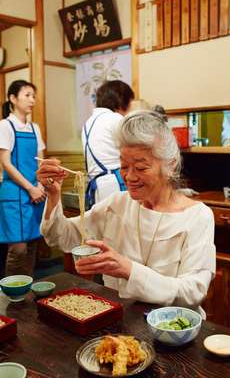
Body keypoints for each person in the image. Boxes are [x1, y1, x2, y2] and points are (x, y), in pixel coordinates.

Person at [38, 111, 215, 317]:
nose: (129, 176)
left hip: (175, 326)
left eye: (140, 167)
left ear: (170, 164)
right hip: (121, 318)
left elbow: (193, 292)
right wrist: (53, 195)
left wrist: (129, 270)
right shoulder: (117, 203)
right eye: (123, 166)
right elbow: (63, 237)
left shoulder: (198, 216)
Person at [0, 80, 46, 277]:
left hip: (36, 191)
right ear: (12, 98)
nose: (32, 100)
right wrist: (31, 188)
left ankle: (28, 290)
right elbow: (6, 164)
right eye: (27, 95)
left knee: (33, 244)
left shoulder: (35, 128)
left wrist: (41, 185)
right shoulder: (5, 126)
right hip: (15, 192)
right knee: (18, 248)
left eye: (33, 96)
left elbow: (41, 161)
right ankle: (11, 295)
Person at [82, 80, 134, 208]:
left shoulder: (87, 123)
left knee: (103, 226)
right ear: (121, 100)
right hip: (114, 184)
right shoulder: (115, 119)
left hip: (96, 186)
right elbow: (133, 150)